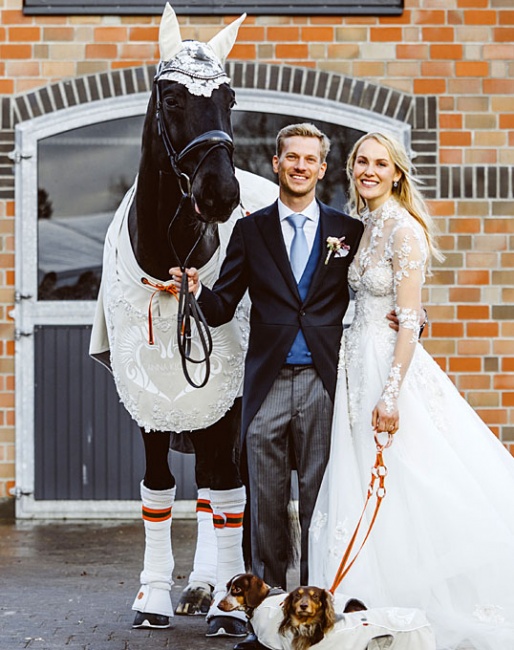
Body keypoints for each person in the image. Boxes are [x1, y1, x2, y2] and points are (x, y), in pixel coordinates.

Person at [308, 131, 514, 650]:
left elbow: (410, 319)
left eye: (381, 163)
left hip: (387, 367)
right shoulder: (366, 224)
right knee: (370, 484)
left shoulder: (404, 230)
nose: (369, 170)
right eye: (361, 161)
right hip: (355, 361)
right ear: (351, 168)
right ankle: (369, 604)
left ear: (397, 172)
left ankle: (415, 601)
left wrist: (392, 393)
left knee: (413, 481)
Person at [171, 123, 365, 596]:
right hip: (268, 382)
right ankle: (272, 608)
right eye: (290, 157)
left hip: (325, 381)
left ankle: (323, 604)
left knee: (323, 501)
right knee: (267, 502)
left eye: (309, 159)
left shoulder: (348, 231)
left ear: (322, 168)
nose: (300, 166)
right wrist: (196, 291)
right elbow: (223, 307)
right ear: (276, 164)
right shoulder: (250, 230)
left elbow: (372, 293)